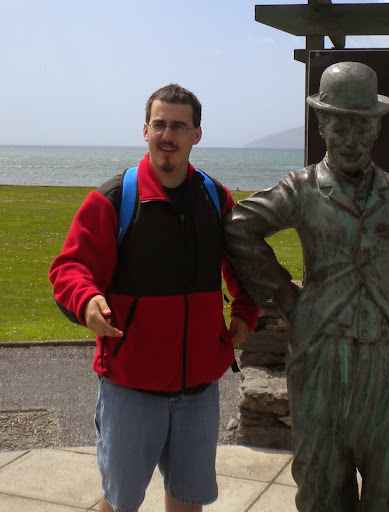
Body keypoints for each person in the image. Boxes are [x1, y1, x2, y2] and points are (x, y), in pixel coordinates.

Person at [224, 62, 389, 512]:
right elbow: (239, 225)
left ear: (376, 129)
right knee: (321, 488)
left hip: (385, 360)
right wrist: (286, 296)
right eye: (340, 127)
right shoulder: (302, 189)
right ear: (321, 126)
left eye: (362, 128)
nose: (351, 140)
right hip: (320, 355)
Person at [49, 84, 259, 512]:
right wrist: (86, 300)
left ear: (196, 134)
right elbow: (70, 267)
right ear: (144, 130)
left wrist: (245, 309)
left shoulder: (214, 197)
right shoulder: (114, 198)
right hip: (130, 387)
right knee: (120, 502)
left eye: (179, 126)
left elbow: (242, 263)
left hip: (199, 390)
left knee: (187, 500)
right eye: (159, 124)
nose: (168, 135)